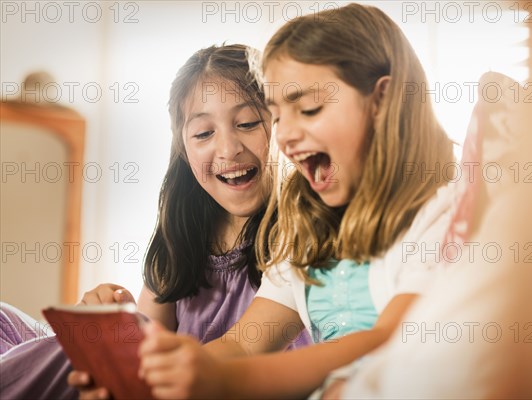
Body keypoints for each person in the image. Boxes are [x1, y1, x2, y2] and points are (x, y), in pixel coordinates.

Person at [136, 4, 458, 399]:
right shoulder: (307, 230)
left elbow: (388, 339)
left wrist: (226, 382)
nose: (284, 135)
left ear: (382, 101)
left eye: (308, 109)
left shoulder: (443, 212)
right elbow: (241, 345)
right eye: (277, 116)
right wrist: (153, 380)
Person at [1, 43, 298, 400]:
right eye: (204, 133)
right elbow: (145, 339)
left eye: (248, 123)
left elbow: (241, 350)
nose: (228, 148)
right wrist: (109, 325)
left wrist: (126, 354)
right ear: (184, 151)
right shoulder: (181, 233)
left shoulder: (299, 231)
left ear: (281, 128)